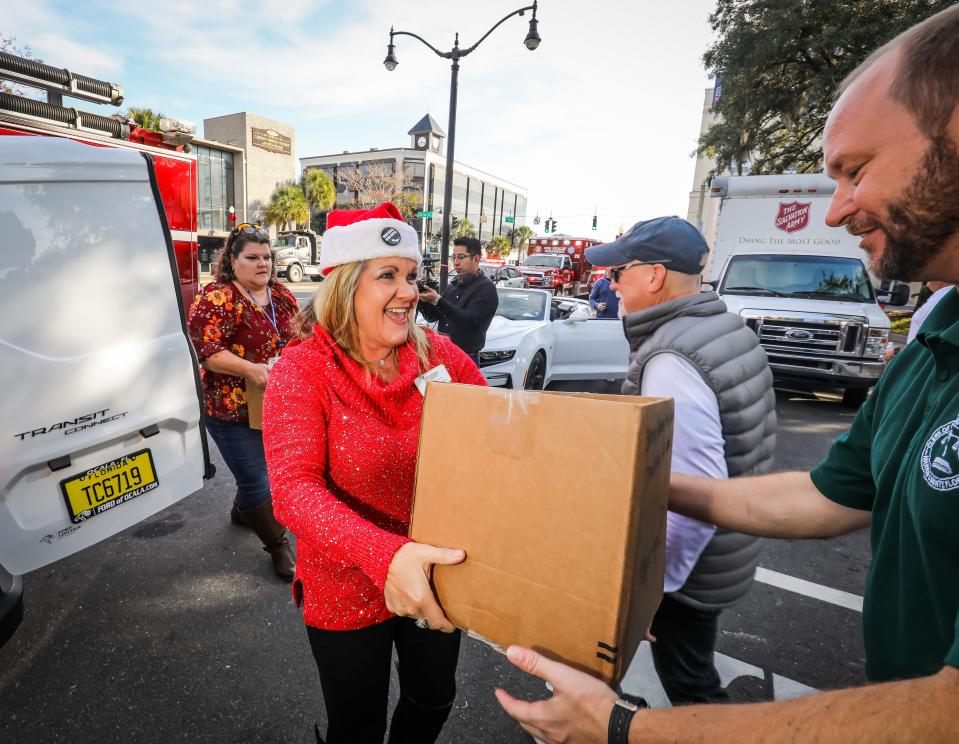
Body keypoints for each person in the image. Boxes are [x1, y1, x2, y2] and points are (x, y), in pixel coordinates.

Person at [496, 6, 959, 742]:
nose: (835, 208)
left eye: (854, 169)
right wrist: (636, 479)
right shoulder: (932, 333)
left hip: (704, 585)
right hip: (750, 587)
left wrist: (626, 700)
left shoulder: (673, 354)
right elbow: (824, 493)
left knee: (686, 687)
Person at [260, 203, 487, 744]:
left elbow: (498, 434)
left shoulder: (437, 353)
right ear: (343, 288)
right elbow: (292, 491)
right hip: (342, 584)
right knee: (356, 727)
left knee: (432, 699)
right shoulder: (303, 367)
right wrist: (388, 556)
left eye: (410, 275)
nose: (409, 291)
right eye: (388, 275)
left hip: (433, 573)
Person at [582, 216, 776, 706]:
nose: (610, 284)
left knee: (691, 685)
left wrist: (650, 591)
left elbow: (688, 492)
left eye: (618, 272)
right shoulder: (722, 327)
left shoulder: (672, 358)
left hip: (689, 571)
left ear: (653, 276)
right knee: (691, 670)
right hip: (727, 549)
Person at [188, 223, 298, 581]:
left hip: (274, 402)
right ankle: (278, 546)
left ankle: (242, 510)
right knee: (256, 479)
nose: (262, 263)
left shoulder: (280, 293)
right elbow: (206, 352)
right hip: (230, 409)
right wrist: (250, 369)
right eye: (252, 257)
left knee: (260, 471)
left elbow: (299, 331)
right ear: (232, 261)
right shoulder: (218, 297)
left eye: (267, 256)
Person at [417, 236, 498, 363]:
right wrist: (421, 297)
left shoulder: (486, 288)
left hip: (465, 357)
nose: (455, 262)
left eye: (460, 257)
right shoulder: (453, 285)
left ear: (476, 258)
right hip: (443, 354)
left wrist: (438, 300)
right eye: (453, 257)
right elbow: (433, 317)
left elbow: (468, 321)